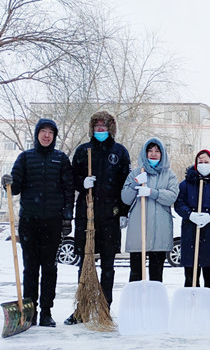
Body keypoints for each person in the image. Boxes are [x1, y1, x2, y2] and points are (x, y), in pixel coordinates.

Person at [1, 119, 74, 327]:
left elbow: (69, 190)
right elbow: (15, 188)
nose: (46, 135)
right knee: (30, 268)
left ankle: (46, 312)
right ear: (37, 134)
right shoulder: (25, 158)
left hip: (53, 221)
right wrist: (7, 182)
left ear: (54, 136)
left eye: (51, 132)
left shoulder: (61, 159)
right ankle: (30, 311)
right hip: (29, 221)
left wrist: (67, 217)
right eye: (43, 131)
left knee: (49, 269)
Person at [65, 111, 131, 325]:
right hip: (86, 215)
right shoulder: (83, 151)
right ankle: (82, 308)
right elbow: (71, 178)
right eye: (97, 126)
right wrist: (82, 183)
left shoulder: (119, 152)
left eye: (104, 126)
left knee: (108, 266)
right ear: (92, 128)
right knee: (85, 263)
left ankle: (105, 308)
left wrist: (123, 212)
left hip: (110, 216)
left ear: (111, 128)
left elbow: (126, 184)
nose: (100, 129)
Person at [175, 149, 210, 320]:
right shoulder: (186, 184)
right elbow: (178, 203)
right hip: (191, 235)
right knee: (191, 276)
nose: (203, 164)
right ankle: (190, 310)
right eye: (200, 161)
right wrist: (189, 214)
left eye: (206, 162)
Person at [121, 138, 178, 282]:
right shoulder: (136, 173)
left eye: (157, 151)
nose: (153, 154)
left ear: (162, 154)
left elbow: (172, 197)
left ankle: (155, 297)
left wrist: (152, 192)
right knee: (136, 274)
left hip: (160, 232)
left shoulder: (169, 175)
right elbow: (125, 198)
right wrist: (135, 184)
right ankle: (136, 297)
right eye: (150, 151)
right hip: (138, 232)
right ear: (145, 153)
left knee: (156, 275)